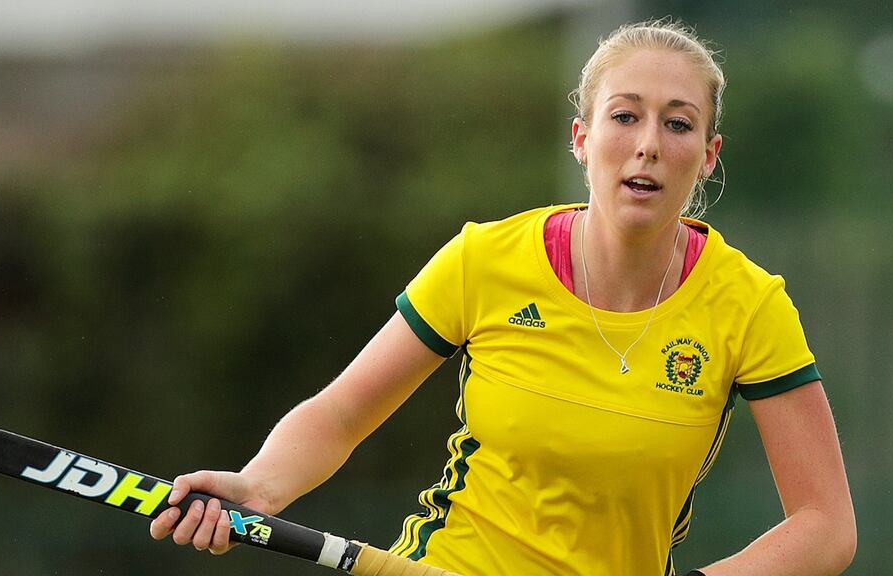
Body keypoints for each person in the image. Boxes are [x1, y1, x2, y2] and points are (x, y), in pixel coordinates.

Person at [149, 19, 857, 575]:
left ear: (707, 155)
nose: (648, 144)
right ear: (582, 139)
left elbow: (825, 526)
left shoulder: (749, 305)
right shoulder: (484, 261)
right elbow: (341, 413)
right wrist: (260, 487)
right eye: (624, 116)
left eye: (677, 123)